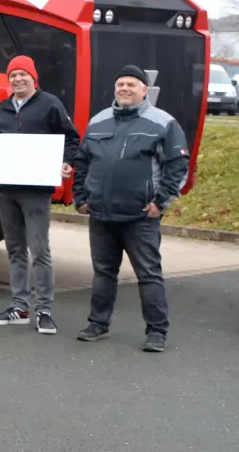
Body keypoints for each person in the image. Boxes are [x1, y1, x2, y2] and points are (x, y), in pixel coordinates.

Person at [72, 65, 189, 353]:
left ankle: (157, 331)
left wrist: (160, 203)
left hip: (140, 217)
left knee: (148, 274)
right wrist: (81, 197)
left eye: (131, 85)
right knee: (103, 273)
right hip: (101, 213)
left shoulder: (163, 123)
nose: (124, 89)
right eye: (120, 84)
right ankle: (98, 323)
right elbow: (82, 161)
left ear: (144, 90)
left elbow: (177, 165)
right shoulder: (98, 121)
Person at [0, 55, 78, 334]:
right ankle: (20, 307)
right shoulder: (2, 107)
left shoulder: (50, 105)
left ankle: (44, 310)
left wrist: (67, 162)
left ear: (34, 78)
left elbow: (71, 137)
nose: (17, 79)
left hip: (36, 191)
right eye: (13, 75)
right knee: (14, 250)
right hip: (6, 190)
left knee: (39, 251)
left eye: (23, 74)